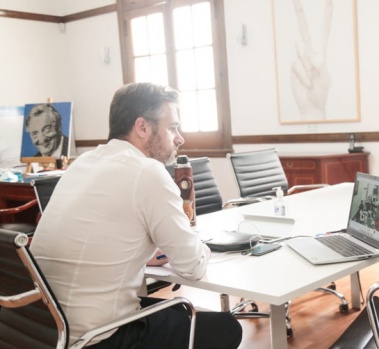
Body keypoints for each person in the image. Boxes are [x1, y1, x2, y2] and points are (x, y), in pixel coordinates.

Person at [29, 82, 242, 349]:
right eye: (172, 127)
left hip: (43, 329)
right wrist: (201, 244)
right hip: (97, 338)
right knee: (226, 328)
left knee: (178, 313)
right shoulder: (147, 172)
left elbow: (100, 233)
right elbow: (193, 266)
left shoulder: (84, 162)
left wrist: (146, 249)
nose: (180, 138)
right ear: (142, 127)